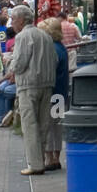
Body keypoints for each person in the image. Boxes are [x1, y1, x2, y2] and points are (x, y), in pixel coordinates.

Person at [5, 5, 56, 175]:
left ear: (21, 20)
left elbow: (20, 63)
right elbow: (54, 59)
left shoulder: (23, 36)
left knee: (30, 124)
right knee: (43, 124)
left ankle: (34, 164)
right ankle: (40, 159)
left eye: (13, 19)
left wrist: (9, 67)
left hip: (28, 84)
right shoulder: (46, 36)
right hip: (47, 83)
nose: (12, 22)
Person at [40, 17, 68, 171]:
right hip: (61, 92)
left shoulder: (51, 49)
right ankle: (57, 156)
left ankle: (49, 157)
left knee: (48, 125)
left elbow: (49, 70)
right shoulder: (61, 47)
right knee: (57, 125)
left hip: (51, 92)